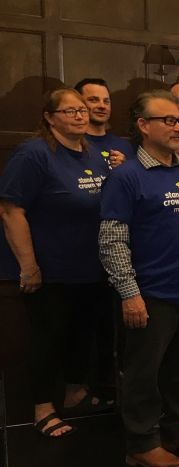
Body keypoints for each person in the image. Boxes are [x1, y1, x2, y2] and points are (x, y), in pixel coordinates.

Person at [99, 89, 179, 467]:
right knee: (144, 373)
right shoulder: (126, 177)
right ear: (142, 126)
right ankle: (142, 443)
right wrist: (129, 293)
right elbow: (112, 239)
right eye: (167, 120)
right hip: (150, 295)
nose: (178, 125)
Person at [0, 88, 113, 438]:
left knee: (83, 336)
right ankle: (43, 408)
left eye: (82, 110)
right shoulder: (33, 154)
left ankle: (74, 390)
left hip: (91, 268)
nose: (80, 115)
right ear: (50, 118)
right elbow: (10, 210)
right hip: (51, 270)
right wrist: (29, 266)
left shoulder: (93, 153)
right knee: (48, 340)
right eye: (70, 111)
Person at [74, 78, 131, 168]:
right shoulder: (72, 142)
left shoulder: (125, 146)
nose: (102, 106)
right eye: (93, 100)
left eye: (106, 101)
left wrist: (125, 169)